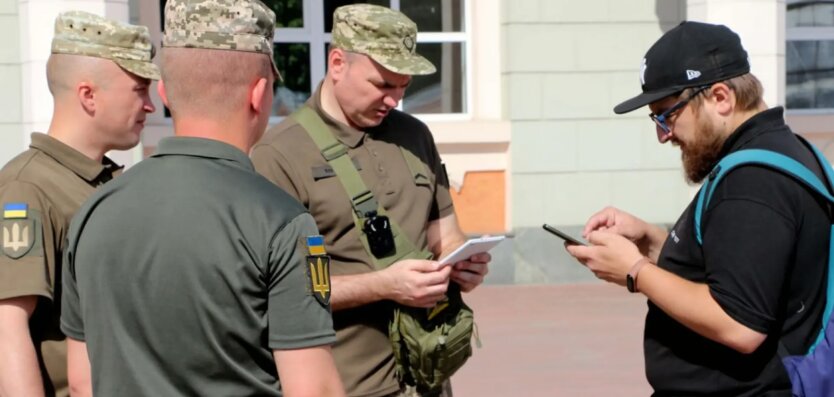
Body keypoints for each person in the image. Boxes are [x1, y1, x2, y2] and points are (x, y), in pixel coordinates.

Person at [59, 1, 344, 396]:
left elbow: (82, 381)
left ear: (163, 92)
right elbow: (315, 389)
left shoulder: (94, 211)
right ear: (259, 94)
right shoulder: (280, 221)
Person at [566, 21, 830, 396]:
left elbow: (739, 325)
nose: (662, 134)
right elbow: (738, 265)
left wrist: (635, 271)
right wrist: (654, 243)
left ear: (720, 97)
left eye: (667, 113)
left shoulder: (753, 181)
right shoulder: (789, 151)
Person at [251, 4, 490, 397]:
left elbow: (444, 233)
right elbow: (282, 292)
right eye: (382, 84)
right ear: (338, 62)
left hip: (427, 379)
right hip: (346, 384)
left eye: (403, 86)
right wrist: (383, 285)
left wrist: (461, 262)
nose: (395, 99)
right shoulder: (279, 154)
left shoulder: (415, 136)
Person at [0, 11, 158, 397]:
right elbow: (7, 327)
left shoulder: (111, 182)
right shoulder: (28, 188)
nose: (151, 106)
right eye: (140, 90)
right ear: (88, 95)